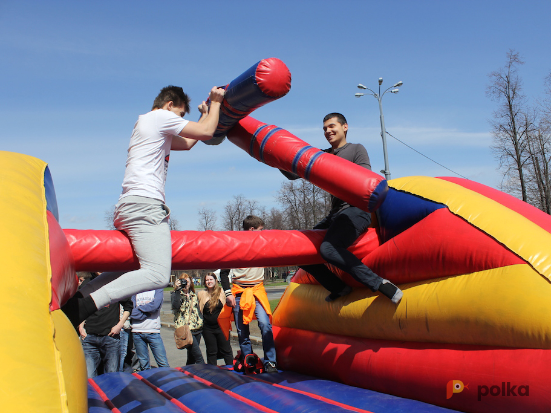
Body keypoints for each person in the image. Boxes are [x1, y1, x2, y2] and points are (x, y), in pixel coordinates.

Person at [62, 85, 226, 328]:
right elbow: (206, 131)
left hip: (129, 205)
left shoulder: (150, 127)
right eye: (180, 115)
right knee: (158, 274)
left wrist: (204, 114)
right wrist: (216, 103)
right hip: (145, 205)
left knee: (132, 267)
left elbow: (192, 141)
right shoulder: (160, 117)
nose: (179, 122)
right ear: (169, 105)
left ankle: (79, 298)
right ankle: (86, 306)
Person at [281, 113, 403, 304]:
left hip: (356, 210)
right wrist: (274, 156)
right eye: (324, 129)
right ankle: (339, 288)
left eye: (331, 126)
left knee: (328, 249)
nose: (327, 131)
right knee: (300, 251)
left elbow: (364, 179)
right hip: (335, 214)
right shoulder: (322, 155)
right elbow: (291, 173)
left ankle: (379, 283)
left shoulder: (356, 149)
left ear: (345, 127)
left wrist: (327, 165)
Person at [220, 215, 278, 373]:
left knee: (265, 324)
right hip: (240, 291)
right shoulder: (235, 246)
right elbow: (223, 273)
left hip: (257, 290)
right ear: (252, 230)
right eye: (260, 229)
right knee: (242, 330)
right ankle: (248, 360)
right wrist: (228, 294)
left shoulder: (262, 244)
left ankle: (270, 361)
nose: (263, 232)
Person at [78, 272, 133, 378]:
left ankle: (111, 395)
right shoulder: (88, 284)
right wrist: (81, 326)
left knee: (112, 375)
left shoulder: (115, 283)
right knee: (89, 376)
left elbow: (128, 306)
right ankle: (93, 395)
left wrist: (120, 325)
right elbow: (81, 306)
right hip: (90, 337)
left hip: (110, 336)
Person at [197, 272, 233, 365]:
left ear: (215, 280)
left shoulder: (222, 292)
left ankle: (231, 369)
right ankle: (213, 372)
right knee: (211, 351)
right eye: (207, 280)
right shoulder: (201, 294)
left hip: (222, 327)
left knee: (226, 350)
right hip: (208, 328)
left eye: (211, 279)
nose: (209, 282)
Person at [130, 288, 169, 371]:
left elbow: (155, 306)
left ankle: (168, 382)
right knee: (144, 365)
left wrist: (139, 310)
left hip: (153, 331)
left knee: (163, 363)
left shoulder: (157, 289)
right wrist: (147, 313)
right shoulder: (135, 291)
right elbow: (131, 311)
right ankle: (147, 382)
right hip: (137, 331)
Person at [172, 273, 205, 365]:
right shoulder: (176, 295)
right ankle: (204, 373)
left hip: (197, 329)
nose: (185, 284)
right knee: (198, 357)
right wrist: (177, 290)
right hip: (186, 330)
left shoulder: (194, 295)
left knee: (191, 357)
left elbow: (198, 310)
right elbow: (175, 306)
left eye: (187, 281)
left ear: (190, 283)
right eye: (183, 281)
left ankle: (188, 373)